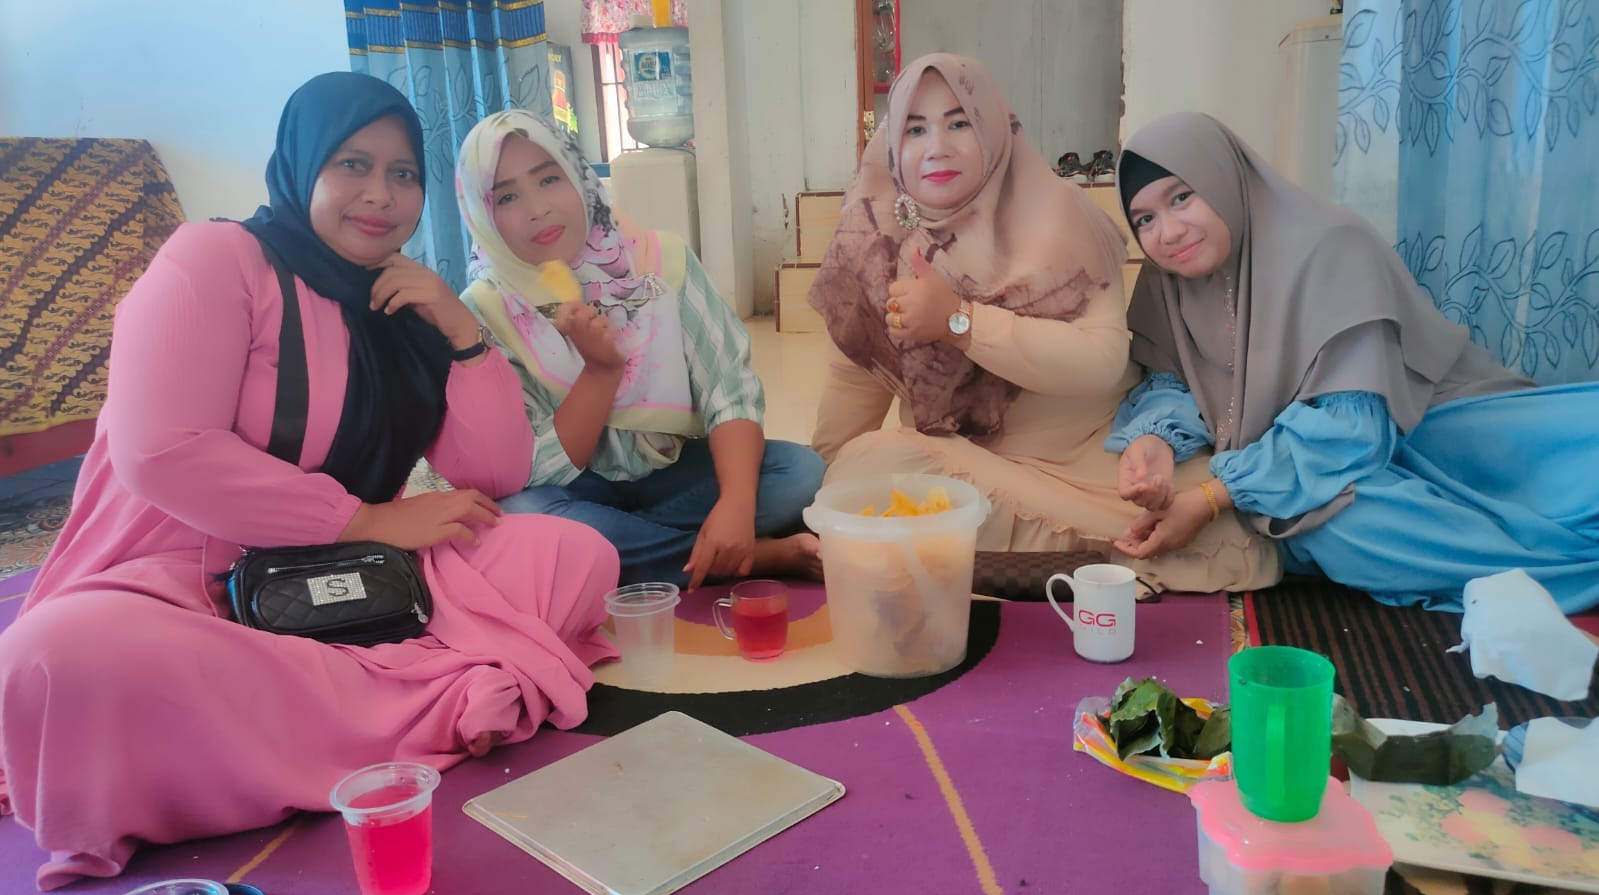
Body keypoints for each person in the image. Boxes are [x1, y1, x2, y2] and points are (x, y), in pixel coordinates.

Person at [0, 73, 621, 890]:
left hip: (351, 585)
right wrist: (363, 517)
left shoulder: (399, 303)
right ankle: (435, 698)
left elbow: (497, 471)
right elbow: (162, 451)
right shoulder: (215, 259)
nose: (381, 194)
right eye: (352, 164)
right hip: (180, 589)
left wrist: (462, 333)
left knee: (576, 554)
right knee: (54, 660)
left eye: (403, 174)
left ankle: (296, 725)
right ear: (302, 164)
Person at [807, 54, 1279, 594]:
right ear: (893, 144)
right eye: (915, 129)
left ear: (992, 128)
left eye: (959, 123)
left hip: (1092, 460)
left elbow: (1101, 362)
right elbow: (853, 384)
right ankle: (1080, 561)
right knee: (866, 464)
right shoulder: (874, 241)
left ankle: (1026, 558)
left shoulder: (1059, 215)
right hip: (971, 472)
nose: (936, 147)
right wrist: (824, 499)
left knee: (1206, 513)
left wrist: (960, 322)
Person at [1111, 110, 1599, 613]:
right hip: (1318, 471)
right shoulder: (1167, 282)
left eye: (1181, 197)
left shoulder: (1330, 245)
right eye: (1145, 219)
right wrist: (1155, 441)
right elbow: (1169, 377)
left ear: (1222, 178)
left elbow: (1354, 428)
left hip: (1435, 429)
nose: (1168, 232)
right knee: (1335, 529)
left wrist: (1213, 497)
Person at [454, 110, 824, 590]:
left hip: (671, 472)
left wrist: (735, 505)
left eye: (549, 178)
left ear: (579, 176)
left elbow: (729, 391)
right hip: (570, 492)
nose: (537, 208)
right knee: (523, 515)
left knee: (799, 472)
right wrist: (600, 372)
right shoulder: (485, 312)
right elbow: (531, 468)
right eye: (506, 196)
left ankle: (638, 552)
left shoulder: (658, 263)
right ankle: (746, 557)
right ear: (481, 215)